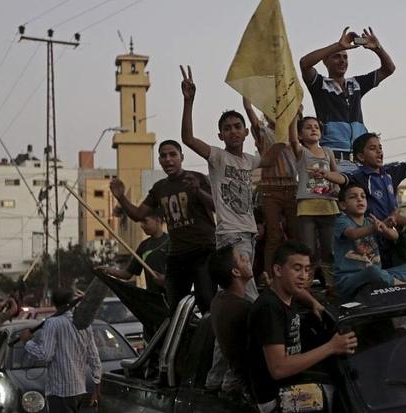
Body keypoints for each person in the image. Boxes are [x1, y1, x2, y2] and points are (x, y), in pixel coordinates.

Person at [180, 65, 259, 301]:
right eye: (227, 128)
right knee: (247, 291)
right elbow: (188, 139)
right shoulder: (217, 157)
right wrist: (188, 102)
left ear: (246, 132)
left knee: (232, 291)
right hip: (231, 235)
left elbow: (275, 154)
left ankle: (223, 325)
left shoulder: (250, 160)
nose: (233, 131)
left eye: (237, 127)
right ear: (220, 136)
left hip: (249, 234)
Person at [248, 241, 357, 412]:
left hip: (294, 380)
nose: (304, 276)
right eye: (297, 268)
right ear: (278, 270)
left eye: (307, 270)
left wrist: (313, 302)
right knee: (344, 396)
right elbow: (279, 368)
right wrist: (332, 347)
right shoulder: (269, 309)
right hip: (278, 397)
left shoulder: (285, 293)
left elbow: (298, 290)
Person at [110, 140, 216, 314]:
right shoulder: (159, 188)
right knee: (174, 306)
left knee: (206, 300)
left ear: (182, 157)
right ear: (159, 160)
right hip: (177, 254)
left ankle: (210, 331)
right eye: (163, 156)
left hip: (203, 251)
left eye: (173, 154)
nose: (168, 159)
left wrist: (198, 191)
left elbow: (217, 207)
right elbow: (138, 215)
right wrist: (121, 197)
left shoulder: (196, 178)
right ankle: (183, 331)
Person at [314, 133, 406, 267]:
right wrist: (326, 174)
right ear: (361, 156)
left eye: (380, 148)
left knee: (402, 267)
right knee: (377, 269)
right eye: (372, 148)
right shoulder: (360, 176)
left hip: (392, 233)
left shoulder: (390, 173)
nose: (379, 152)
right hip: (372, 234)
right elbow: (342, 178)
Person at [300, 27, 396, 173]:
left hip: (361, 160)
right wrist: (338, 45)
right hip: (334, 160)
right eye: (337, 56)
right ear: (325, 62)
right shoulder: (320, 84)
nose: (342, 61)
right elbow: (304, 63)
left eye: (345, 57)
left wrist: (378, 48)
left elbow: (389, 69)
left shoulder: (356, 84)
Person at [18, 288, 101, 413]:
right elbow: (94, 358)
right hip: (80, 391)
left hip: (60, 392)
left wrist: (27, 342)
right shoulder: (85, 324)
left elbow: (45, 355)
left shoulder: (52, 323)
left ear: (55, 304)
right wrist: (97, 387)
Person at [243, 97, 298, 277]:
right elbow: (250, 113)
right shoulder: (264, 132)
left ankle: (295, 273)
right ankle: (269, 275)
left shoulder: (293, 134)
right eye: (271, 111)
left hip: (292, 187)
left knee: (294, 232)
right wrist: (247, 96)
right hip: (270, 189)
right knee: (274, 234)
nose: (276, 114)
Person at [333, 183, 406, 300]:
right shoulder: (342, 221)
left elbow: (395, 236)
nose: (359, 199)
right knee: (373, 271)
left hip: (376, 274)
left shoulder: (370, 222)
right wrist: (376, 227)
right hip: (349, 280)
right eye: (353, 197)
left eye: (363, 196)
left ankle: (380, 284)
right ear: (343, 205)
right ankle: (400, 285)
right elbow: (353, 234)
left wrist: (385, 228)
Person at [289, 115, 340, 292]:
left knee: (329, 249)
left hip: (328, 206)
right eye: (308, 127)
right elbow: (292, 139)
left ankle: (332, 285)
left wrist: (336, 189)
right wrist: (293, 115)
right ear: (300, 135)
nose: (313, 129)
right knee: (308, 249)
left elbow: (336, 174)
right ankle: (305, 286)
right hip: (307, 207)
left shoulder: (328, 151)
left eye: (316, 127)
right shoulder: (301, 152)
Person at [207, 244, 255, 399]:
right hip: (247, 390)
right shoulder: (243, 308)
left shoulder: (218, 301)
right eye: (241, 258)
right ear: (236, 272)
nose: (247, 258)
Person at [97, 208, 168, 295]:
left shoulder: (171, 243)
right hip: (152, 297)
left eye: (145, 221)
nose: (142, 225)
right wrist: (107, 270)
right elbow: (127, 274)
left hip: (172, 297)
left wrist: (166, 280)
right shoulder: (144, 245)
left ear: (158, 220)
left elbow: (181, 274)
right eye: (140, 222)